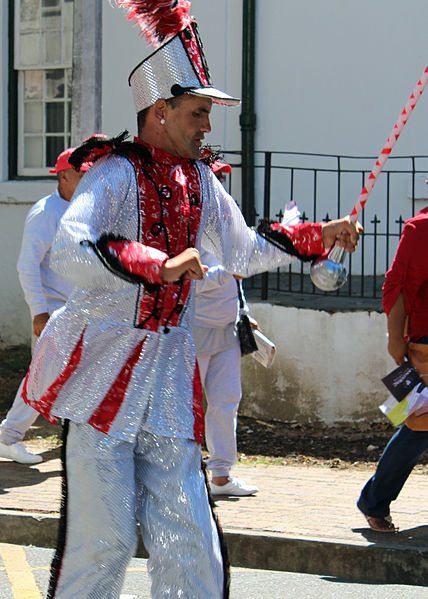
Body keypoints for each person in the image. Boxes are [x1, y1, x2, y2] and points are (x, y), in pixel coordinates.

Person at [23, 9, 360, 599]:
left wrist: (318, 236)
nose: (208, 125)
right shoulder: (117, 172)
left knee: (190, 535)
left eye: (208, 114)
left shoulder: (200, 181)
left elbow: (244, 248)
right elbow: (72, 250)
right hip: (105, 375)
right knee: (102, 539)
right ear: (160, 112)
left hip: (169, 379)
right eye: (198, 113)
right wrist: (159, 264)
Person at [0, 148, 90, 465]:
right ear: (64, 176)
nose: (88, 179)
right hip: (53, 312)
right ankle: (8, 437)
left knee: (81, 374)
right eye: (82, 174)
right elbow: (27, 265)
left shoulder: (85, 210)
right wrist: (39, 311)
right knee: (42, 376)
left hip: (81, 310)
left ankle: (76, 439)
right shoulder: (45, 213)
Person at [357, 204, 428, 532]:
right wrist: (395, 337)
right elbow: (397, 285)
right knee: (417, 427)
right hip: (425, 343)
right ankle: (374, 502)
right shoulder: (420, 229)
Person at [194, 248, 259, 496]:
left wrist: (243, 312)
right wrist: (226, 273)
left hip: (228, 329)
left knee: (227, 401)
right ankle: (181, 475)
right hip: (195, 328)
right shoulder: (192, 229)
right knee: (187, 406)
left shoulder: (227, 234)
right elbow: (187, 283)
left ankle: (221, 477)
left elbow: (235, 281)